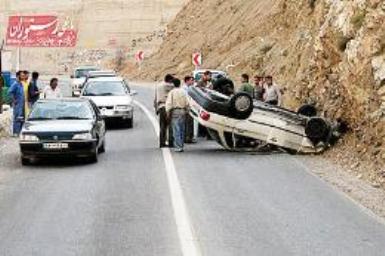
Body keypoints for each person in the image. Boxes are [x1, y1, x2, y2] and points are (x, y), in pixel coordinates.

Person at [166, 78, 189, 152]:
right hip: (183, 111)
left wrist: (167, 112)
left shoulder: (171, 92)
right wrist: (187, 110)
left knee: (176, 129)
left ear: (173, 84)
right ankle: (181, 145)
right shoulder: (184, 92)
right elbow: (188, 102)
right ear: (179, 84)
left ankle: (178, 146)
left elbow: (169, 104)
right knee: (182, 128)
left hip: (175, 112)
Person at [154, 74, 175, 148]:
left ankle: (162, 142)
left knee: (162, 126)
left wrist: (156, 108)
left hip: (160, 107)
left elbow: (155, 98)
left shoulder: (158, 86)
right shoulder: (170, 86)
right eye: (171, 80)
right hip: (167, 107)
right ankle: (171, 142)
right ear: (169, 80)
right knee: (170, 125)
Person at [8, 71, 25, 136]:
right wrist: (14, 100)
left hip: (21, 104)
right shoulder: (15, 84)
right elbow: (10, 92)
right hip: (17, 105)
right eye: (22, 75)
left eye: (23, 75)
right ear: (18, 76)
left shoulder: (21, 84)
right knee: (17, 118)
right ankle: (15, 133)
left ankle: (19, 132)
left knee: (20, 118)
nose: (23, 77)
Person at [182, 76, 196, 143]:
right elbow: (187, 99)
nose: (193, 82)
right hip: (186, 108)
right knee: (187, 123)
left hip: (190, 107)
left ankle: (189, 137)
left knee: (190, 123)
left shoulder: (189, 88)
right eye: (191, 80)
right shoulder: (184, 89)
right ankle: (187, 138)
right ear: (187, 81)